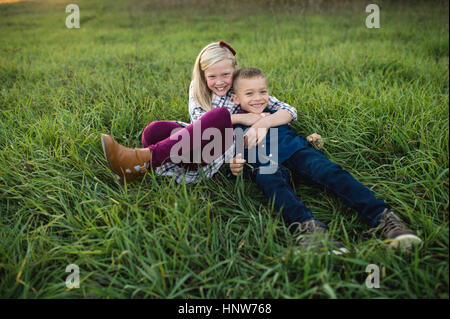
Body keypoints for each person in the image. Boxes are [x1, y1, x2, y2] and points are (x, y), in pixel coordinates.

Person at [228, 67, 422, 253]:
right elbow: (234, 156)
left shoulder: (275, 114)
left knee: (330, 171)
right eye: (249, 94)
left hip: (297, 152)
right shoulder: (234, 125)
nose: (258, 98)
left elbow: (291, 130)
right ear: (236, 98)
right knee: (271, 183)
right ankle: (310, 230)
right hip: (265, 164)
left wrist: (312, 141)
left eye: (263, 91)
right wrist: (235, 166)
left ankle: (383, 218)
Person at [102, 41, 296, 184]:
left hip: (214, 153)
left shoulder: (243, 88)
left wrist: (263, 122)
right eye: (212, 76)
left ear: (235, 71)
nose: (220, 81)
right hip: (193, 145)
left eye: (226, 75)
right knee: (154, 130)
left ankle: (141, 159)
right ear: (203, 75)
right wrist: (243, 117)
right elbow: (199, 123)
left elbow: (289, 110)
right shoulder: (197, 88)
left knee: (220, 115)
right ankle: (138, 167)